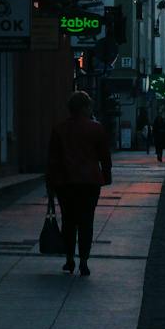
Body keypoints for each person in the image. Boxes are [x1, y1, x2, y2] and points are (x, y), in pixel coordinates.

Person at [47, 90, 112, 276]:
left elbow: (53, 159)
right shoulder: (96, 128)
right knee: (86, 221)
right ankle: (84, 260)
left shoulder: (59, 129)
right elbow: (104, 157)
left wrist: (50, 183)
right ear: (85, 108)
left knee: (68, 220)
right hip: (90, 182)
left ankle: (69, 259)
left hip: (66, 182)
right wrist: (106, 177)